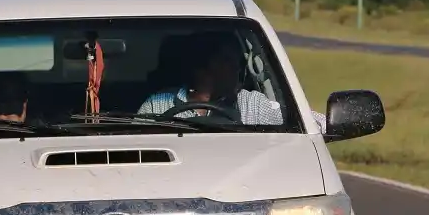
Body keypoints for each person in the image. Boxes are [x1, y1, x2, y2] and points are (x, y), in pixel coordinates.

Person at [138, 31, 327, 133]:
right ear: (201, 67)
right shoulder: (157, 105)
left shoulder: (251, 104)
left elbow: (307, 121)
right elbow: (138, 144)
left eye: (237, 62)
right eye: (227, 61)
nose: (237, 68)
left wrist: (326, 123)